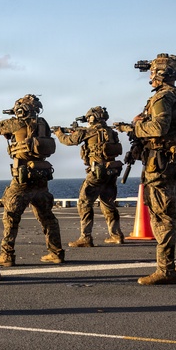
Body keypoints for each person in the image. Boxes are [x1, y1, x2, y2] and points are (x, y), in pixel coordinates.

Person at [129, 53, 176, 284]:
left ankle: (166, 270)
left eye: (152, 72)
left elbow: (159, 128)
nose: (150, 76)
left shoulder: (162, 98)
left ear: (160, 75)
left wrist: (136, 126)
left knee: (162, 217)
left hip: (159, 166)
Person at [0, 94, 65, 264]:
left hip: (22, 177)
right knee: (47, 216)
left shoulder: (16, 123)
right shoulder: (43, 124)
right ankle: (56, 252)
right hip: (41, 176)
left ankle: (7, 255)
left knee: (10, 216)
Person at [53, 106, 124, 249]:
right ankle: (116, 235)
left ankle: (85, 237)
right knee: (108, 202)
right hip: (111, 171)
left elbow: (69, 141)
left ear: (92, 118)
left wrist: (59, 133)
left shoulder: (89, 131)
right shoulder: (110, 132)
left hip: (97, 171)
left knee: (84, 203)